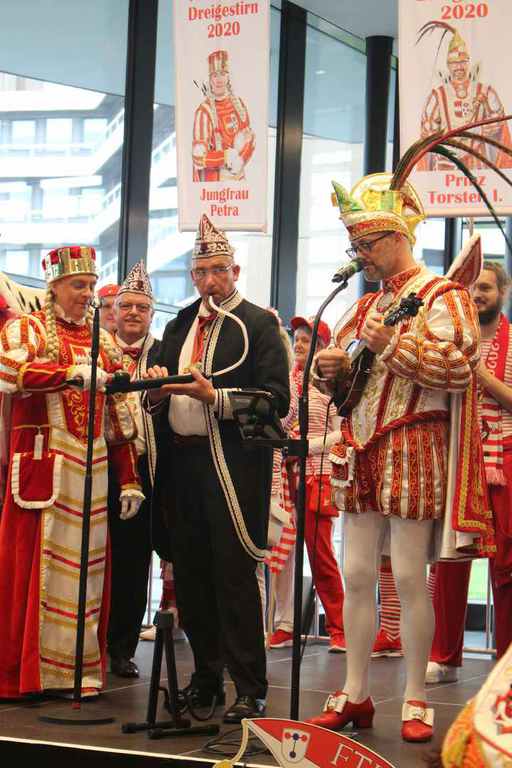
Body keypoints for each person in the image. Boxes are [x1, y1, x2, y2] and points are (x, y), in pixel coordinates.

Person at [306, 172, 490, 743]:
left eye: (367, 243)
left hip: (414, 444)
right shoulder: (364, 304)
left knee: (410, 576)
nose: (360, 255)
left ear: (397, 236)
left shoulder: (445, 295)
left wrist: (395, 344)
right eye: (354, 245)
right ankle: (354, 691)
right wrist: (331, 371)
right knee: (358, 574)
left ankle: (415, 696)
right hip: (359, 449)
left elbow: (459, 370)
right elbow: (346, 386)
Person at [144, 214, 289, 723]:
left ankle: (249, 688)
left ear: (236, 272)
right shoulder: (177, 324)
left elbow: (277, 403)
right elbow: (156, 391)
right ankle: (206, 680)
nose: (210, 281)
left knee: (233, 575)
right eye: (202, 272)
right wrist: (155, 390)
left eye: (219, 270)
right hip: (182, 464)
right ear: (193, 276)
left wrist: (216, 398)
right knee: (191, 576)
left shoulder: (260, 324)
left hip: (231, 468)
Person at [0, 245, 143, 699]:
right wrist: (68, 374)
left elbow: (119, 416)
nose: (86, 293)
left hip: (94, 468)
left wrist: (130, 478)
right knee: (35, 570)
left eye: (90, 284)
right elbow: (8, 371)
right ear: (55, 286)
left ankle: (75, 672)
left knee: (87, 573)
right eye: (78, 285)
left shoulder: (104, 341)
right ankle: (30, 675)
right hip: (46, 464)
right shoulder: (28, 327)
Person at [427, 262, 512, 684]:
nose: (477, 295)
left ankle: (506, 664)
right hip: (459, 455)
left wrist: (479, 373)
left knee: (507, 563)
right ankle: (444, 656)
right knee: (450, 557)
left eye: (486, 288)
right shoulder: (453, 342)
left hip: (504, 458)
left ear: (503, 293)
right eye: (472, 288)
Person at [267, 316, 346, 653]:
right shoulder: (288, 382)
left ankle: (339, 627)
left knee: (320, 555)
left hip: (318, 475)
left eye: (308, 339)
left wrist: (307, 446)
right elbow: (279, 423)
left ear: (323, 347)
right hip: (286, 476)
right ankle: (286, 624)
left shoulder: (331, 386)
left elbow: (343, 433)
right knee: (282, 553)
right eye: (297, 338)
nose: (300, 345)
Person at [107, 261, 163, 678]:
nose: (133, 313)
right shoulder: (97, 350)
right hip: (99, 466)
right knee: (94, 555)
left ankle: (121, 647)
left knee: (133, 559)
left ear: (151, 314)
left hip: (150, 468)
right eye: (126, 306)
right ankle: (85, 645)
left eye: (141, 308)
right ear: (113, 312)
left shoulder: (164, 353)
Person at [417, 22, 512, 170]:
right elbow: (428, 131)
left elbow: (498, 124)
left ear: (468, 63)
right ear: (448, 65)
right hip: (446, 163)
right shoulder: (437, 96)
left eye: (462, 62)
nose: (459, 67)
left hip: (478, 162)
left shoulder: (485, 91)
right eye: (454, 63)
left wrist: (484, 129)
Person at [192, 50, 255, 182]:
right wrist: (224, 157)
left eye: (222, 74)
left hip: (239, 180)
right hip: (215, 183)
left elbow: (250, 139)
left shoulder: (238, 104)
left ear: (228, 77)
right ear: (210, 79)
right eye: (215, 75)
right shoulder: (204, 111)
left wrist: (241, 159)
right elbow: (198, 158)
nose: (219, 79)